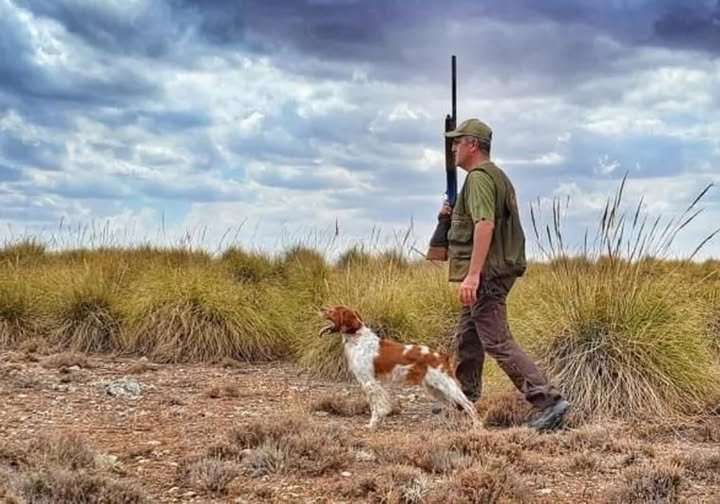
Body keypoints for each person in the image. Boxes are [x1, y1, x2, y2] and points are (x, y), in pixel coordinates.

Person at [434, 118, 570, 431]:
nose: (453, 147)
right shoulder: (496, 177)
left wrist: (473, 275)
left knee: (496, 341)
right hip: (494, 268)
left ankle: (548, 401)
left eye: (458, 141)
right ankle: (464, 401)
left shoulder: (480, 178)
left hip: (488, 272)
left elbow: (486, 224)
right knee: (468, 337)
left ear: (473, 144)